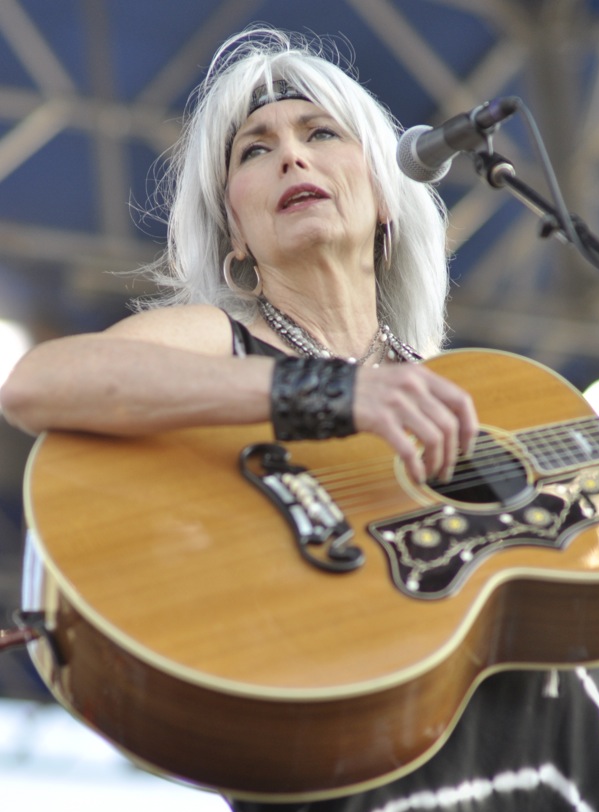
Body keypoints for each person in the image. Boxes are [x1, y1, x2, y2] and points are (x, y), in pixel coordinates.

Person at [2, 26, 598, 812]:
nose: (291, 156)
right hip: (339, 737)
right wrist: (328, 394)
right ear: (235, 238)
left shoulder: (489, 396)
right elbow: (42, 383)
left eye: (321, 133)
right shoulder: (221, 339)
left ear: (386, 198)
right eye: (254, 150)